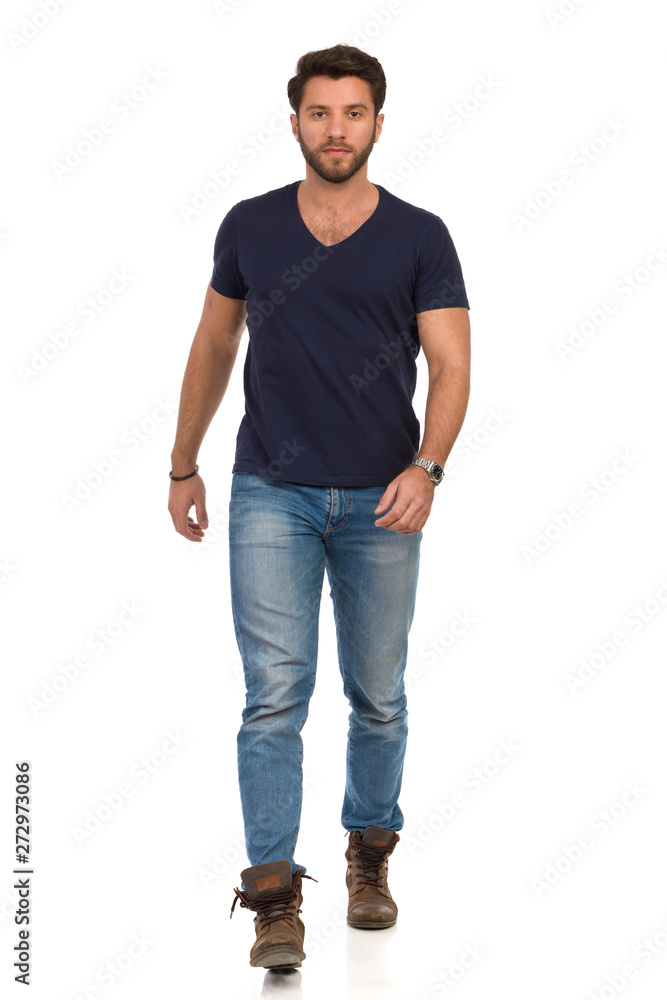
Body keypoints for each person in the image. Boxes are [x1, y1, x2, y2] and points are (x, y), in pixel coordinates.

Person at [168, 42, 471, 971]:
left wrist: (427, 468)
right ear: (295, 121)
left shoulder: (420, 236)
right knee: (273, 697)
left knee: (377, 696)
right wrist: (182, 465)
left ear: (377, 122)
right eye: (319, 113)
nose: (335, 130)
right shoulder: (250, 226)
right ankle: (273, 902)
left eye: (353, 113)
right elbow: (213, 344)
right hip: (271, 490)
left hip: (383, 499)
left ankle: (368, 856)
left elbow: (451, 364)